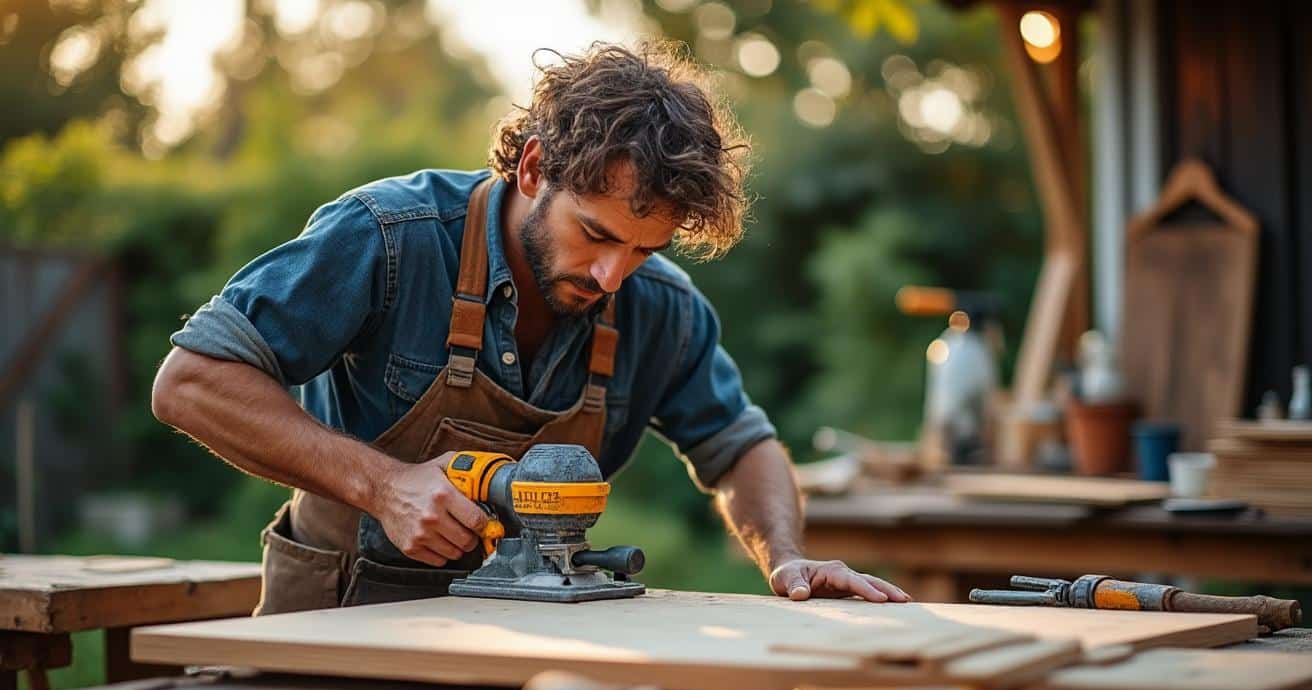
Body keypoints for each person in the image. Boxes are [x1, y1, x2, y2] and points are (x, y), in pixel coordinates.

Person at [151, 41, 909, 613]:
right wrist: (382, 486)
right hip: (343, 608)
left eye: (644, 250)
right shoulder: (391, 236)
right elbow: (192, 383)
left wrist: (786, 557)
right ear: (536, 168)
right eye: (598, 235)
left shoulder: (661, 307)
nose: (615, 276)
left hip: (536, 629)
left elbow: (742, 446)